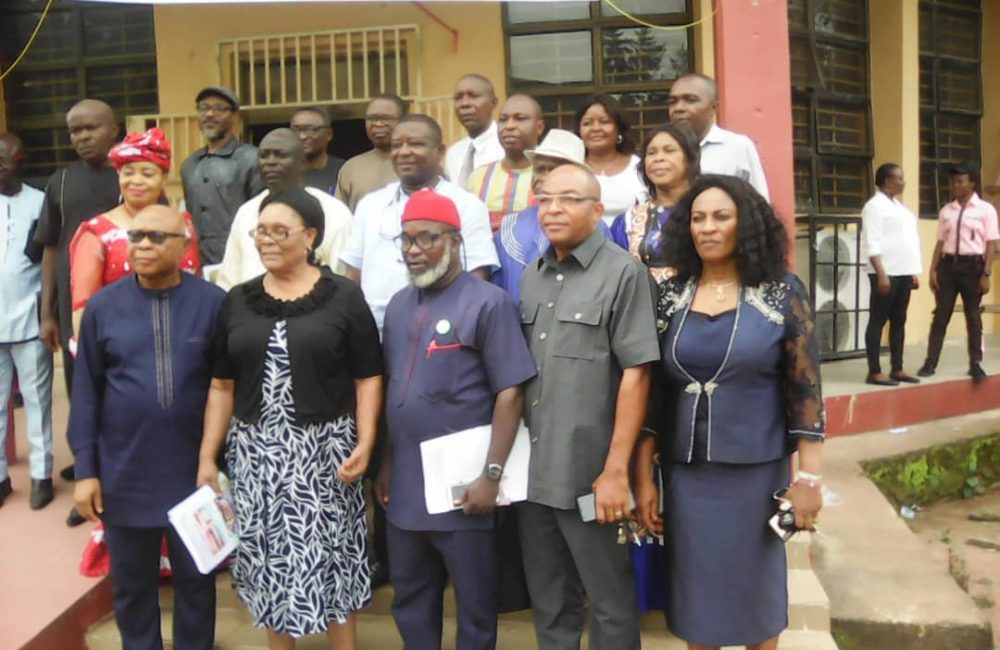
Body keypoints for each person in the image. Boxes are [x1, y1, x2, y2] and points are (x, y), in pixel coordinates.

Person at [634, 174, 825, 650]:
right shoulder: (671, 295)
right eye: (698, 218)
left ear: (747, 224)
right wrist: (643, 477)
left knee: (756, 598)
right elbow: (654, 393)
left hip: (756, 473)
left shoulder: (781, 292)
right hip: (687, 476)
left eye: (721, 216)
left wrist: (809, 479)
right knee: (697, 599)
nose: (707, 227)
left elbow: (805, 388)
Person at [198, 188, 384, 649]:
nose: (267, 240)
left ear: (310, 237)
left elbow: (368, 377)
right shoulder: (238, 300)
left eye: (279, 231)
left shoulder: (343, 297)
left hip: (326, 454)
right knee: (268, 557)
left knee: (334, 555)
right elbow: (221, 385)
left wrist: (366, 442)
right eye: (260, 231)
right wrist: (207, 457)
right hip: (256, 454)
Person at [378, 189, 536, 650]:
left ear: (455, 241)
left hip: (465, 488)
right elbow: (393, 391)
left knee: (475, 606)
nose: (413, 249)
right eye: (406, 239)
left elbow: (510, 392)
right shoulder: (399, 305)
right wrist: (386, 465)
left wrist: (491, 475)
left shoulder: (489, 302)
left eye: (426, 238)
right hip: (406, 487)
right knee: (410, 598)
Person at [69, 205, 224, 650]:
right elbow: (86, 394)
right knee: (132, 587)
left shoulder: (213, 304)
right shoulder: (103, 307)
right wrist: (86, 470)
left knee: (197, 582)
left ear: (183, 245)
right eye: (136, 236)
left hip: (192, 473)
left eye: (157, 237)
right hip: (124, 472)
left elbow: (226, 387)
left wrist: (217, 460)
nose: (143, 246)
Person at [518, 164, 659, 650]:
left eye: (569, 199)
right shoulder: (532, 277)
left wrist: (617, 470)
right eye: (545, 199)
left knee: (608, 602)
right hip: (534, 474)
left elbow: (638, 374)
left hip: (590, 475)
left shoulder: (623, 273)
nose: (553, 209)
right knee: (549, 602)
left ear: (597, 210)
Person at [32, 99, 120, 505]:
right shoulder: (62, 181)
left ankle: (115, 477)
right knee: (81, 392)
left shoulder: (131, 175)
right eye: (75, 131)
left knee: (118, 392)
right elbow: (50, 248)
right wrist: (47, 314)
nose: (82, 137)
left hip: (122, 306)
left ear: (114, 129)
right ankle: (89, 473)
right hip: (75, 310)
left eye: (91, 128)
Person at [340, 114, 499, 336]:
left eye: (415, 144)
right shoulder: (370, 205)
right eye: (397, 145)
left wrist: (455, 332)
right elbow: (353, 274)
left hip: (440, 332)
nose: (404, 152)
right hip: (373, 332)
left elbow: (477, 275)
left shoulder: (467, 205)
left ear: (440, 152)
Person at [69, 128, 201, 343]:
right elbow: (83, 307)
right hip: (122, 347)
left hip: (183, 340)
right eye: (128, 173)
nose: (136, 181)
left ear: (164, 178)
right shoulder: (97, 232)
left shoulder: (184, 225)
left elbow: (197, 286)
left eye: (147, 174)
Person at [215, 128, 352, 290]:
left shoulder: (334, 212)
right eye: (264, 155)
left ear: (302, 163)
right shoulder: (246, 212)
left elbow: (342, 279)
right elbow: (229, 280)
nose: (270, 162)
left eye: (280, 155)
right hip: (252, 303)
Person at [492, 129, 610, 301]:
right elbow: (498, 291)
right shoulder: (510, 226)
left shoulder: (595, 226)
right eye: (540, 169)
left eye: (555, 170)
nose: (545, 177)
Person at [0, 133, 54, 510]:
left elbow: (47, 258)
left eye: (4, 161)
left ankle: (42, 475)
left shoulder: (40, 202)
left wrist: (49, 315)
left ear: (21, 161)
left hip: (29, 321)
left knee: (38, 402)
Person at [917, 161, 998, 384]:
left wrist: (986, 273)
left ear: (972, 183)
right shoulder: (947, 211)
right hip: (948, 266)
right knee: (941, 316)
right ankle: (930, 362)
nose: (956, 185)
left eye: (961, 181)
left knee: (973, 316)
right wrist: (933, 270)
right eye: (953, 182)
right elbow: (940, 243)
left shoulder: (985, 210)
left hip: (973, 267)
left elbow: (991, 243)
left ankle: (975, 363)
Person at [181, 86, 265, 265]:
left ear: (235, 117)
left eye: (219, 108)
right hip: (198, 261)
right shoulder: (189, 165)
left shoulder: (251, 158)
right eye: (203, 108)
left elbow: (261, 213)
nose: (210, 114)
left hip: (241, 259)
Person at [611, 122, 700, 283]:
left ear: (690, 158)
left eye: (669, 151)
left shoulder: (707, 212)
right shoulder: (627, 221)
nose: (658, 158)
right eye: (651, 153)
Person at [861, 164, 923, 386]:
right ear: (888, 181)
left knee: (899, 320)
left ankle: (897, 367)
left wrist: (912, 270)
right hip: (886, 272)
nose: (903, 183)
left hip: (903, 271)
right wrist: (881, 274)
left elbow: (905, 239)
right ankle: (874, 371)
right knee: (878, 320)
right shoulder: (874, 207)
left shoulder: (898, 207)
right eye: (900, 178)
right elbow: (872, 243)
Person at [668, 73, 770, 200]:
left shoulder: (737, 146)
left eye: (690, 100)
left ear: (714, 108)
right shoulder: (658, 152)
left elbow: (759, 202)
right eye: (673, 102)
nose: (678, 108)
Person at [467, 94, 544, 231]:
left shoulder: (551, 175)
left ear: (539, 127)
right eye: (503, 120)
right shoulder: (479, 176)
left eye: (520, 118)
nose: (509, 126)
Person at [575, 94, 647, 226]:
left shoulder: (640, 167)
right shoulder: (571, 169)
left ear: (619, 128)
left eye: (604, 121)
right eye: (587, 123)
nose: (596, 128)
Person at [336, 94, 406, 212]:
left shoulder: (417, 163)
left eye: (386, 118)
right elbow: (340, 215)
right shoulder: (351, 167)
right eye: (371, 119)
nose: (378, 124)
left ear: (404, 121)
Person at [444, 74, 504, 189]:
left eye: (474, 96)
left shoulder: (506, 147)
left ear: (494, 102)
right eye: (458, 98)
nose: (464, 104)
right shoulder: (453, 153)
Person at [291, 106, 345, 195]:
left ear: (328, 134)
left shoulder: (344, 171)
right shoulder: (282, 172)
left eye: (310, 129)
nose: (302, 136)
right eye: (296, 130)